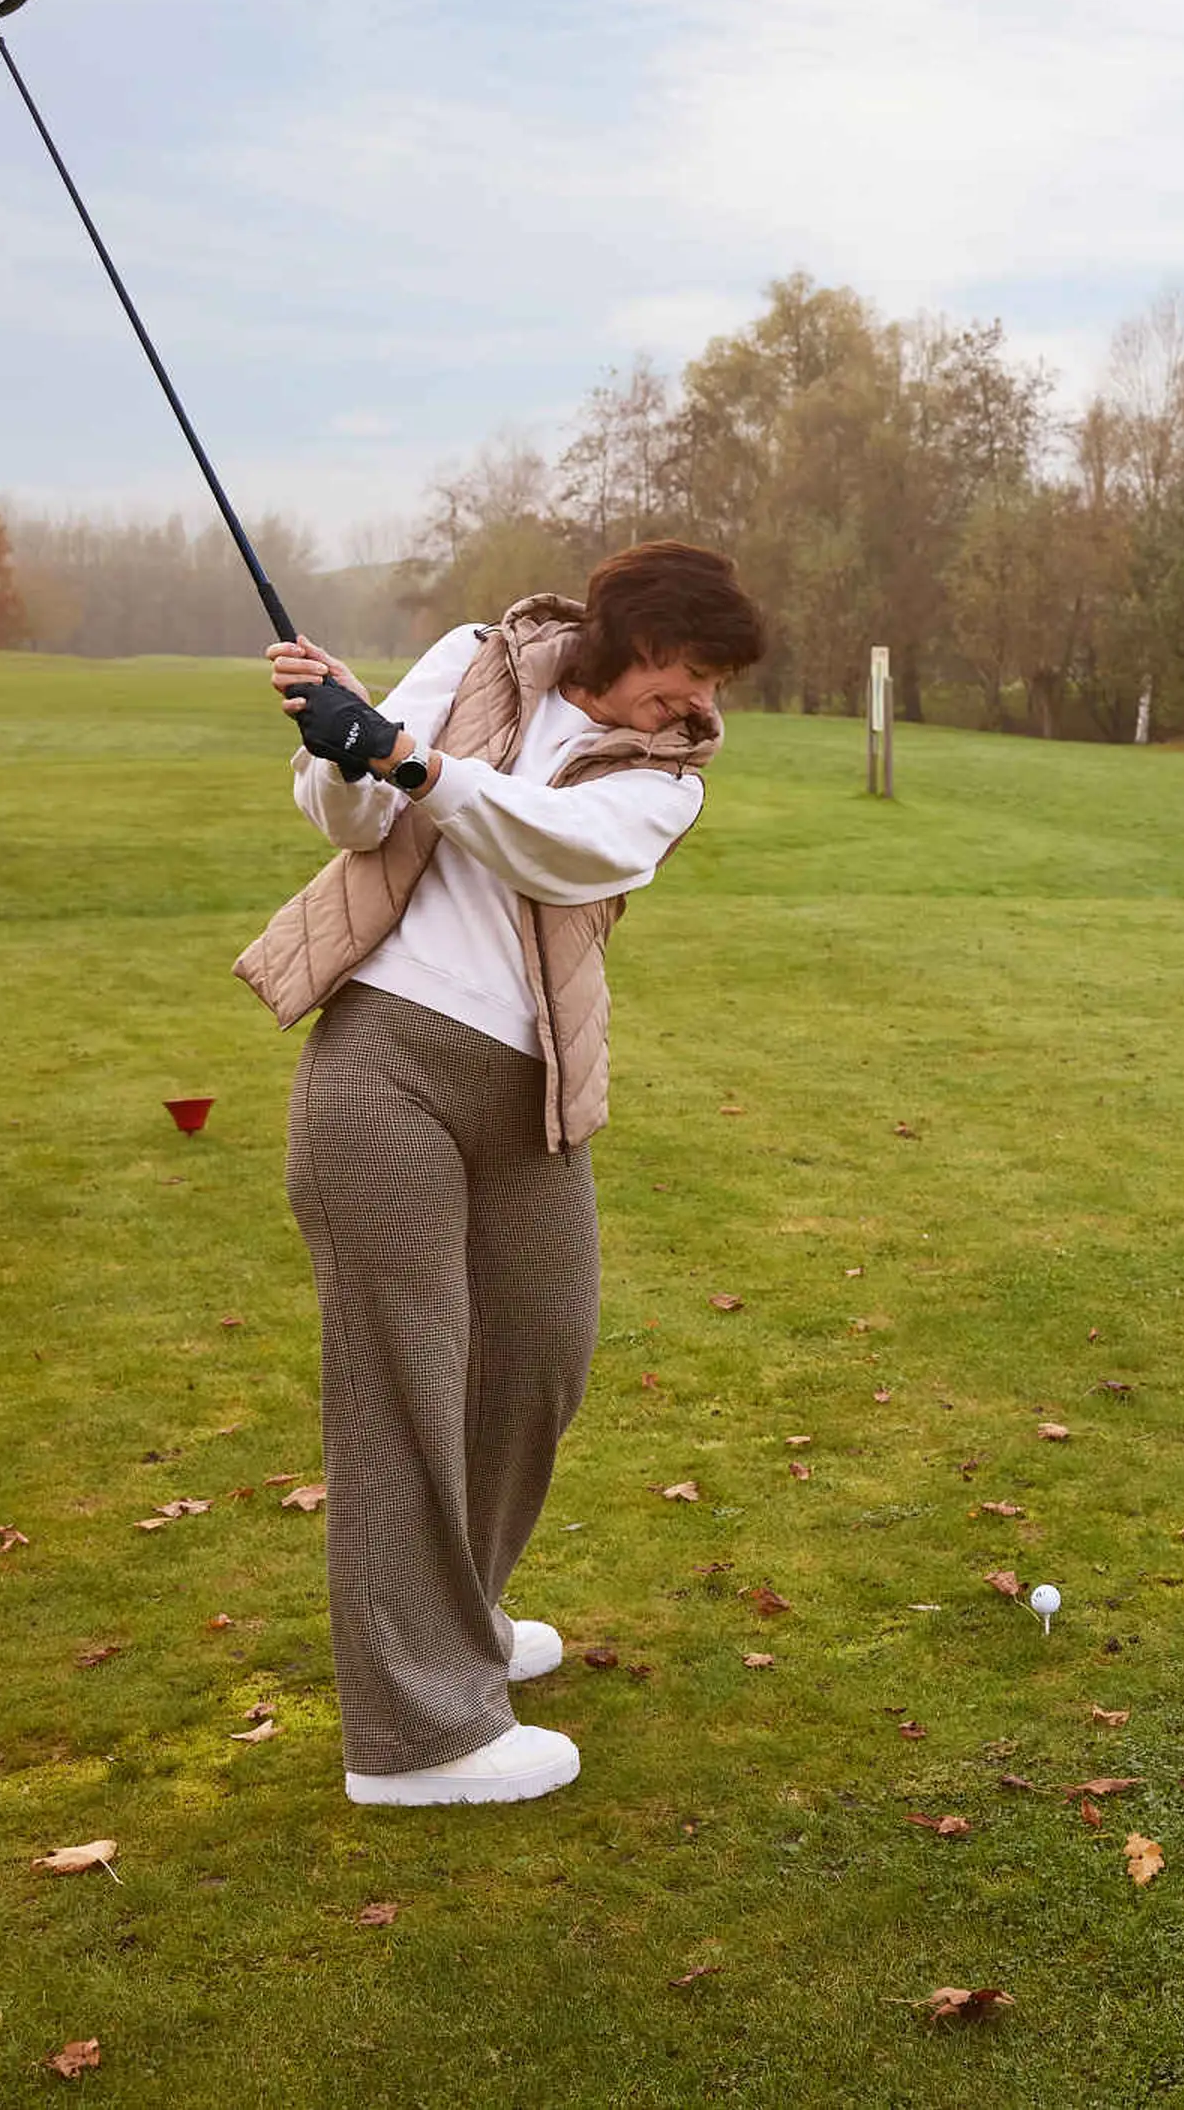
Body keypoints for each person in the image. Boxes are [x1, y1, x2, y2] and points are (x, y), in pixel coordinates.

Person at [236, 541, 765, 1805]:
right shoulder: (471, 663)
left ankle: (455, 1620)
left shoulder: (666, 776)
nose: (700, 706)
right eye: (688, 674)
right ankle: (414, 1742)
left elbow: (557, 848)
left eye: (712, 688)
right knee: (401, 1377)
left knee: (537, 1355)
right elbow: (351, 820)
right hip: (384, 1064)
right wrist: (339, 744)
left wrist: (413, 760)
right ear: (626, 637)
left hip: (529, 1087)